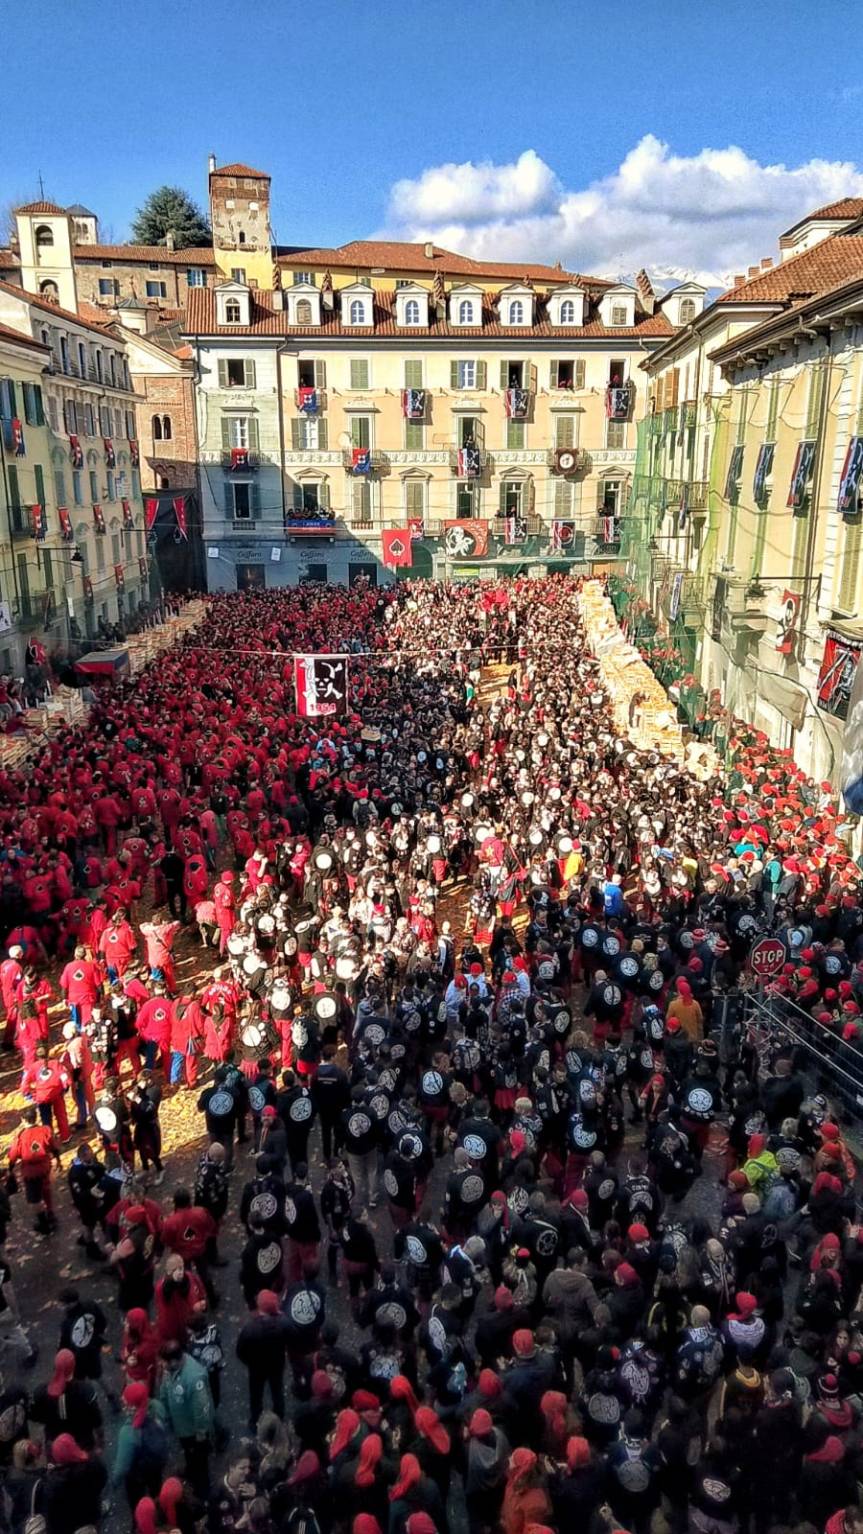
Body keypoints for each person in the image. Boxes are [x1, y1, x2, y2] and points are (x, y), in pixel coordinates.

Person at [157, 1340, 214, 1497]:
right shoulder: (171, 1368)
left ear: (174, 1361)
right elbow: (165, 1388)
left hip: (193, 1432)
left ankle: (203, 1489)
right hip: (181, 1427)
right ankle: (191, 1470)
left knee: (200, 1459)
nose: (161, 1365)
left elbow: (202, 1409)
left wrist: (201, 1434)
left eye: (164, 1362)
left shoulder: (194, 1378)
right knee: (189, 1454)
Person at [235, 1289, 291, 1430]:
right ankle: (279, 1417)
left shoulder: (249, 1329)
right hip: (277, 1364)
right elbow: (291, 1339)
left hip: (256, 1367)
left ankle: (255, 1421)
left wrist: (249, 1362)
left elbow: (240, 1352)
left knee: (256, 1394)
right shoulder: (283, 1323)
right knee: (277, 1391)